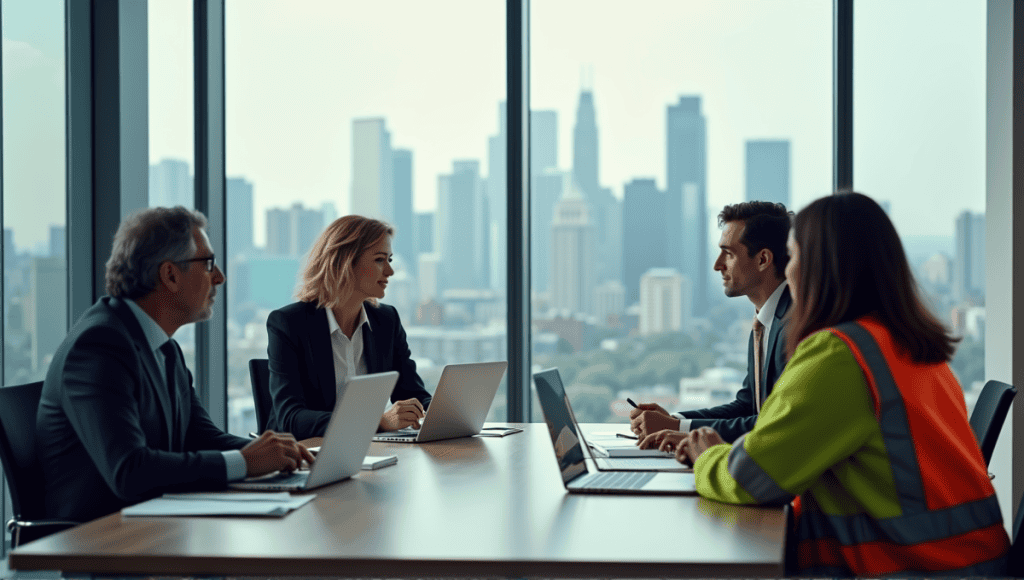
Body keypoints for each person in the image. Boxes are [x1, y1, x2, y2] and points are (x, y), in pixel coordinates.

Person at [644, 192, 1008, 576]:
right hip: (967, 562)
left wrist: (706, 457)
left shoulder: (840, 356)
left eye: (794, 254)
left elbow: (754, 480)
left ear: (818, 266)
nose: (789, 269)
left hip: (912, 568)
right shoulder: (911, 346)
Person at [37, 207, 314, 523]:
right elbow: (129, 470)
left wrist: (281, 454)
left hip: (157, 524)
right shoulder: (99, 346)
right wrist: (246, 460)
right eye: (208, 264)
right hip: (104, 543)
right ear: (169, 275)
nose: (220, 277)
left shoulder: (164, 348)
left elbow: (201, 437)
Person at [630, 201, 792, 442]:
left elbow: (775, 423)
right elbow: (748, 406)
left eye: (728, 253)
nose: (718, 265)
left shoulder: (795, 325)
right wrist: (674, 421)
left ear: (763, 260)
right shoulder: (765, 321)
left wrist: (679, 428)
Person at [266, 215, 431, 440]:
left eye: (389, 260)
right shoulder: (289, 324)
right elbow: (291, 419)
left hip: (366, 453)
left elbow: (413, 394)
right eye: (380, 260)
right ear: (345, 261)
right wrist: (377, 421)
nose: (390, 272)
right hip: (306, 457)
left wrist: (441, 413)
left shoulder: (386, 320)